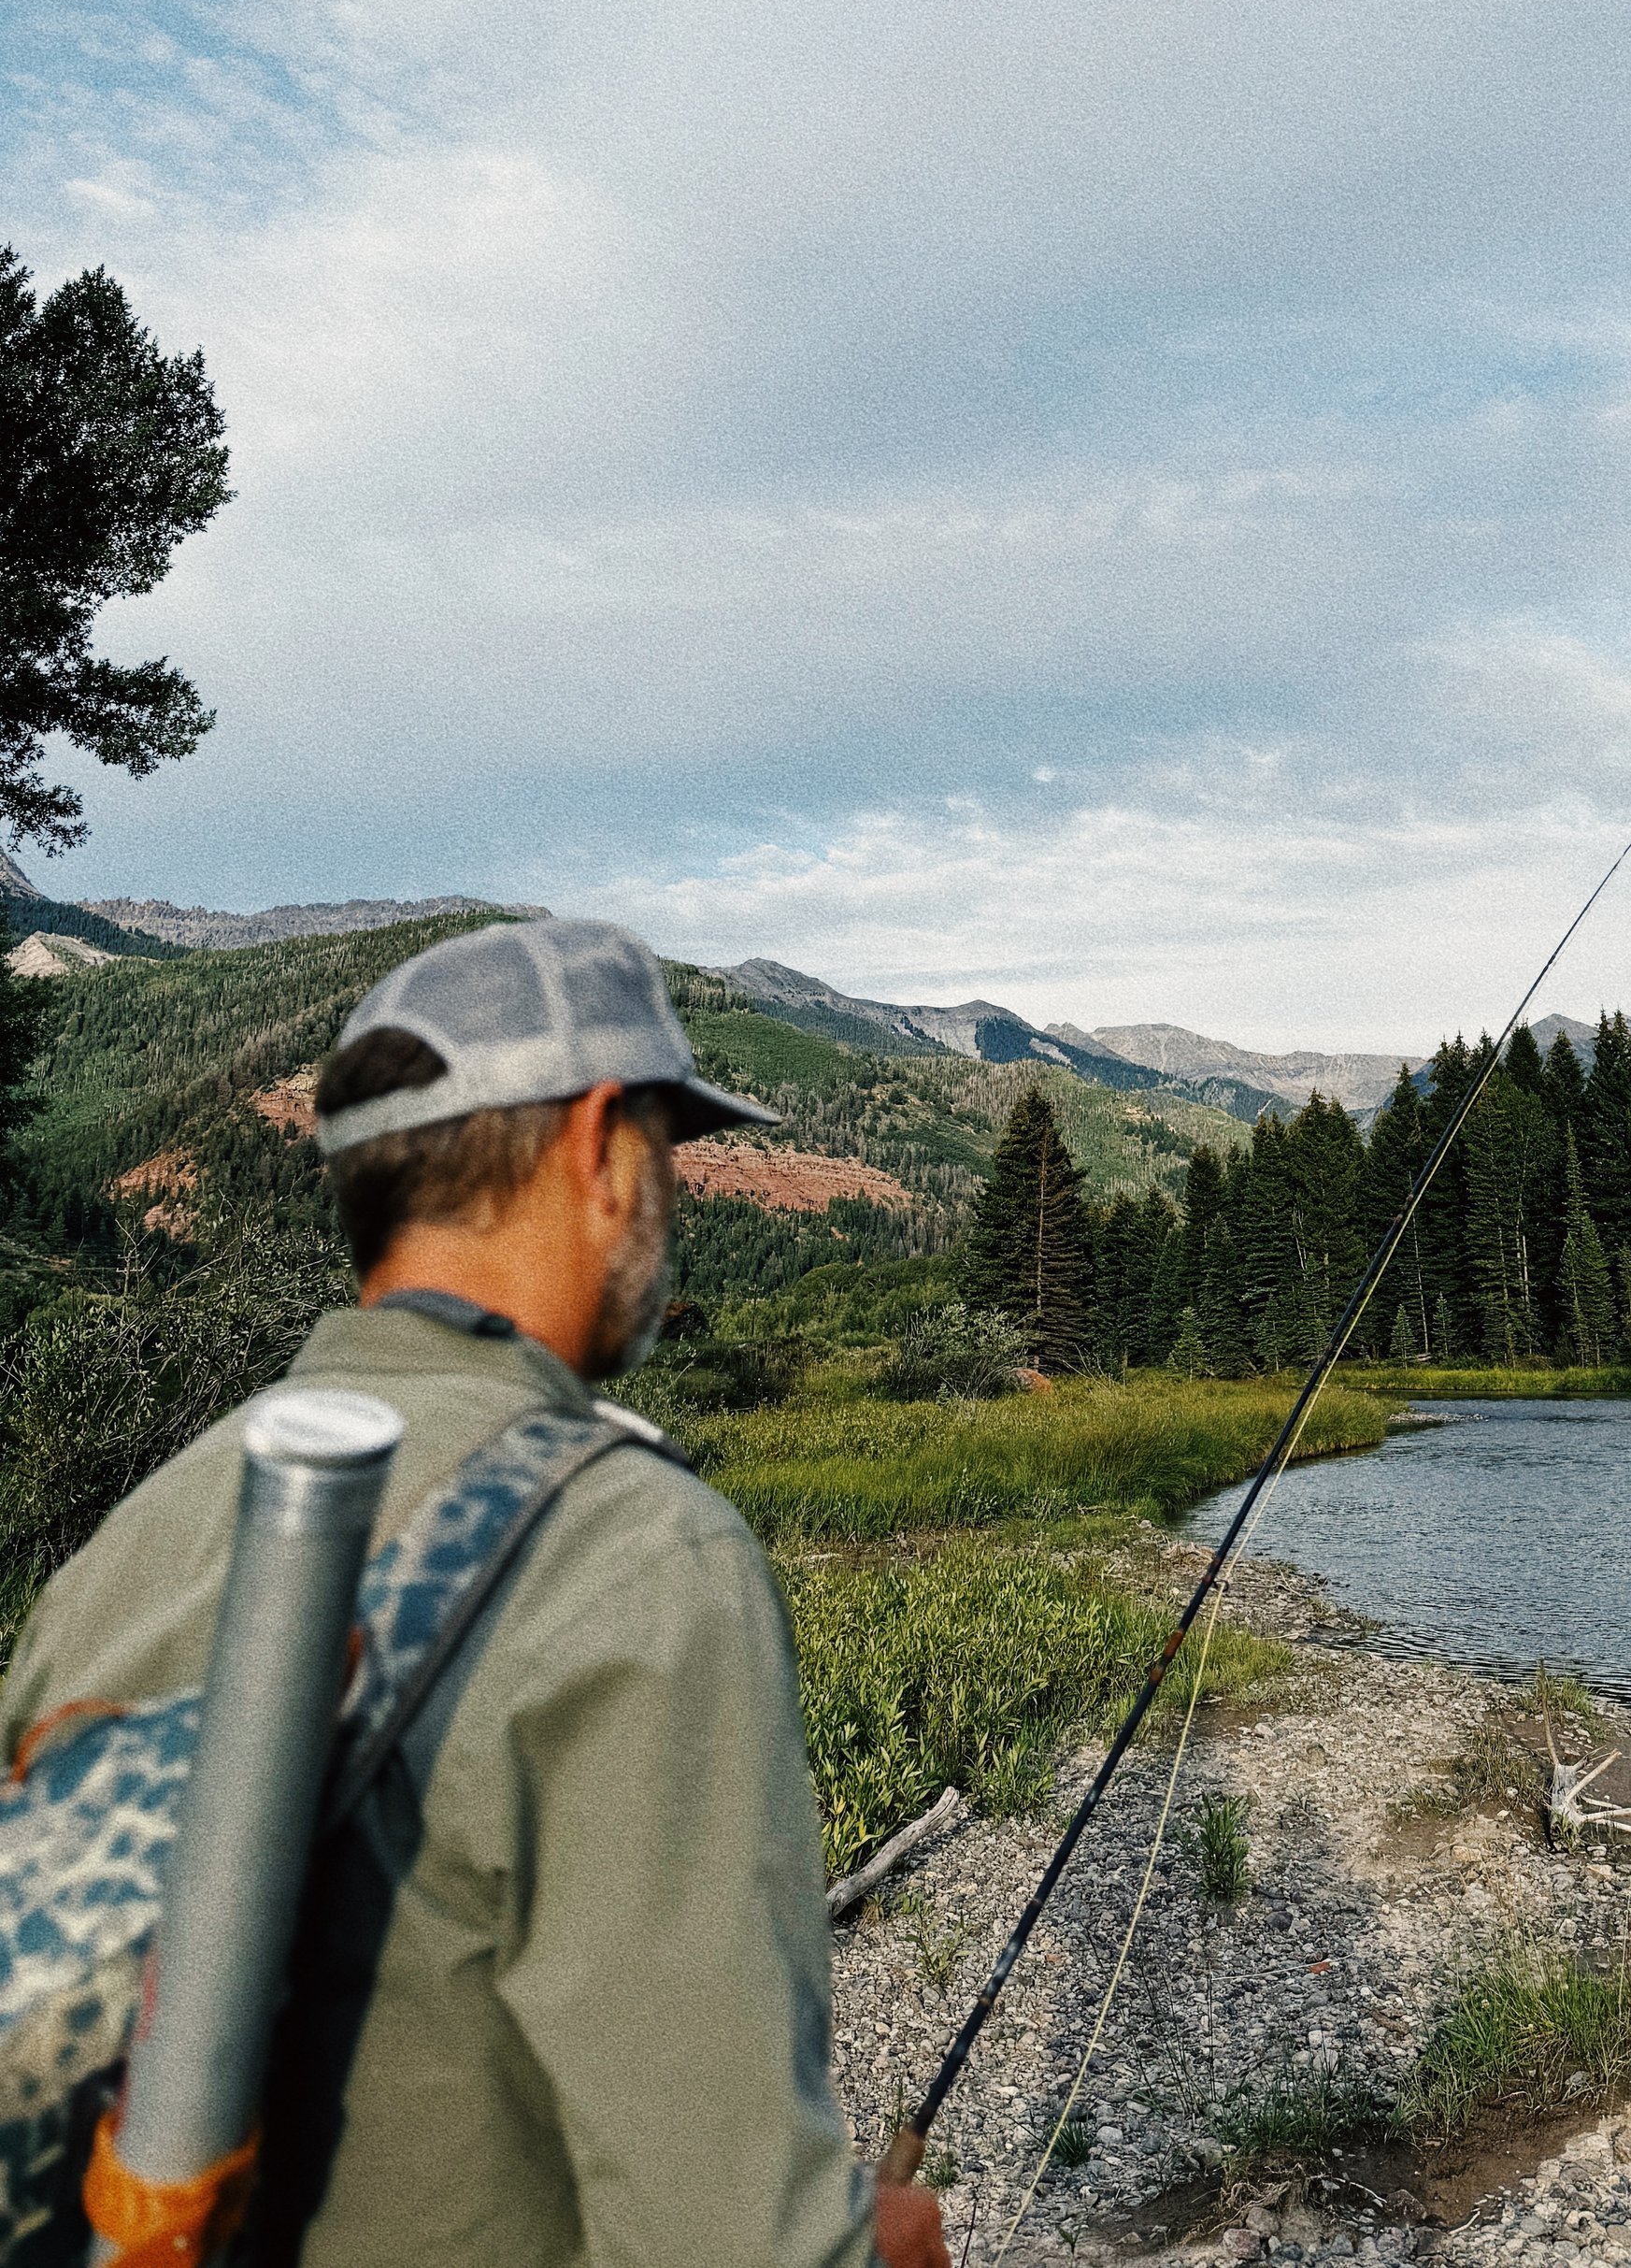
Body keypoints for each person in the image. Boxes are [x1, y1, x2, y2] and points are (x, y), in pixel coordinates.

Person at [1, 915, 951, 2268]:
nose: (668, 1197)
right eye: (667, 1154)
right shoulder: (643, 1555)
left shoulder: (128, 1544)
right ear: (599, 1146)